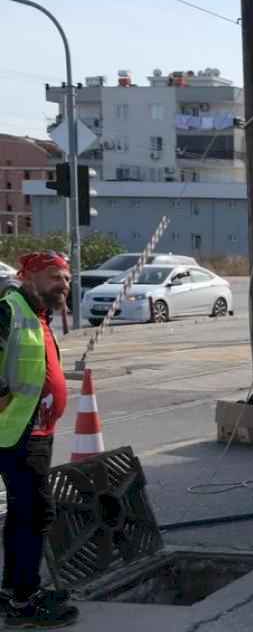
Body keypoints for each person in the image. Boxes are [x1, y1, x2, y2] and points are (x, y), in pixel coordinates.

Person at [0, 252, 78, 628]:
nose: (63, 285)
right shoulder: (10, 309)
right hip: (17, 433)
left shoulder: (39, 314)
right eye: (54, 277)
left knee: (22, 513)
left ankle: (13, 591)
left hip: (36, 430)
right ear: (27, 277)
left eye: (65, 278)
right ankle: (23, 602)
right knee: (33, 513)